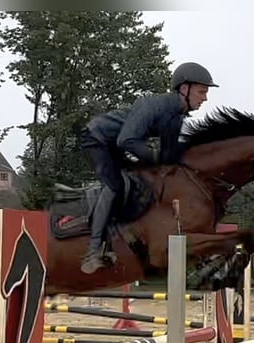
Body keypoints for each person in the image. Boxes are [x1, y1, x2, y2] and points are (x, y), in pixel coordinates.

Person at [77, 62, 219, 274]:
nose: (205, 98)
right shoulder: (151, 105)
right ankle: (94, 249)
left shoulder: (176, 119)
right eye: (202, 92)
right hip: (97, 139)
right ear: (184, 89)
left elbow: (168, 162)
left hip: (118, 143)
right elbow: (127, 140)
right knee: (116, 184)